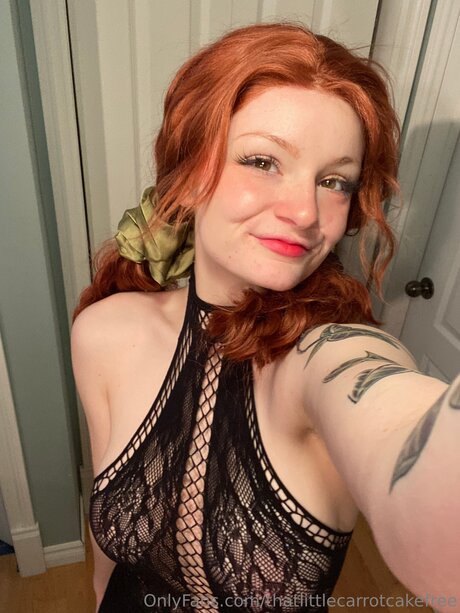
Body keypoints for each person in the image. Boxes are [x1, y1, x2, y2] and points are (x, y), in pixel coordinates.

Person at [71, 22, 460, 613]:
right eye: (263, 161)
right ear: (188, 175)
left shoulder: (326, 356)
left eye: (334, 181)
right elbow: (108, 549)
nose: (305, 211)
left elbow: (405, 443)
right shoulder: (104, 333)